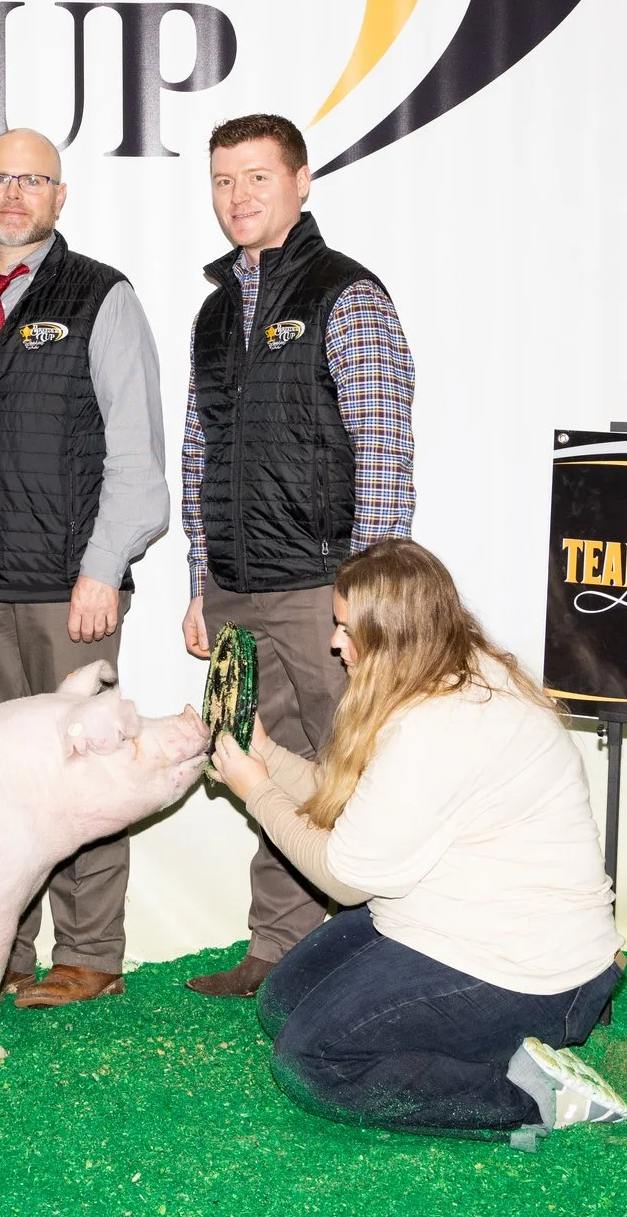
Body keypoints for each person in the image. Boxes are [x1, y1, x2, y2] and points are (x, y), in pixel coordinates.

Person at [207, 539, 627, 1137]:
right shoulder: (446, 679)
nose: (334, 643)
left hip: (526, 968)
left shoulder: (439, 726)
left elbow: (343, 880)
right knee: (281, 1005)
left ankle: (538, 1095)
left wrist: (257, 792)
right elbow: (348, 802)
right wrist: (267, 757)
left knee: (312, 1061)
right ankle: (514, 1043)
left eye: (347, 629)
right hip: (457, 924)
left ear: (393, 637)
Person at [0, 128, 168, 1010]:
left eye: (34, 180)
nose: (15, 193)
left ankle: (90, 953)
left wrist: (103, 568)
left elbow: (138, 458)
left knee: (89, 771)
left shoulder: (102, 295)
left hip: (68, 590)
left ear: (61, 196)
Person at [180, 113, 418, 999]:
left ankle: (389, 949)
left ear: (302, 180)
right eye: (222, 180)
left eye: (256, 177)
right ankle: (278, 947)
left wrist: (370, 595)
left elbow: (384, 447)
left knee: (360, 772)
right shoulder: (212, 314)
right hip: (237, 586)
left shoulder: (346, 294)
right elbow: (197, 454)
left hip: (325, 591)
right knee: (263, 763)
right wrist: (200, 578)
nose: (237, 196)